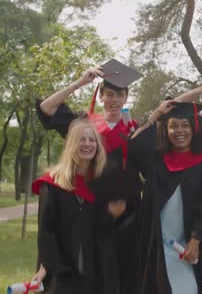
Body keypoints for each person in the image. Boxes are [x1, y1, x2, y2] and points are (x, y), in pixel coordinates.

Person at [34, 63, 143, 294]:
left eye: (120, 95)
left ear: (126, 98)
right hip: (86, 213)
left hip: (124, 216)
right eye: (109, 94)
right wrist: (80, 82)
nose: (114, 100)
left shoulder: (136, 130)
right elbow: (46, 108)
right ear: (101, 95)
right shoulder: (85, 126)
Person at [129, 100, 202, 294]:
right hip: (157, 247)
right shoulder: (156, 162)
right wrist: (156, 113)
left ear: (194, 128)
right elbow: (134, 147)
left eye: (185, 125)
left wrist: (196, 240)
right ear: (165, 130)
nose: (179, 131)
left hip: (187, 247)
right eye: (173, 126)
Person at [31, 119, 107, 294]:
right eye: (81, 139)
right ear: (72, 144)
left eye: (92, 140)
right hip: (62, 270)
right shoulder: (52, 183)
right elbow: (46, 231)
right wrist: (50, 266)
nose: (87, 144)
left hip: (95, 270)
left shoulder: (102, 184)